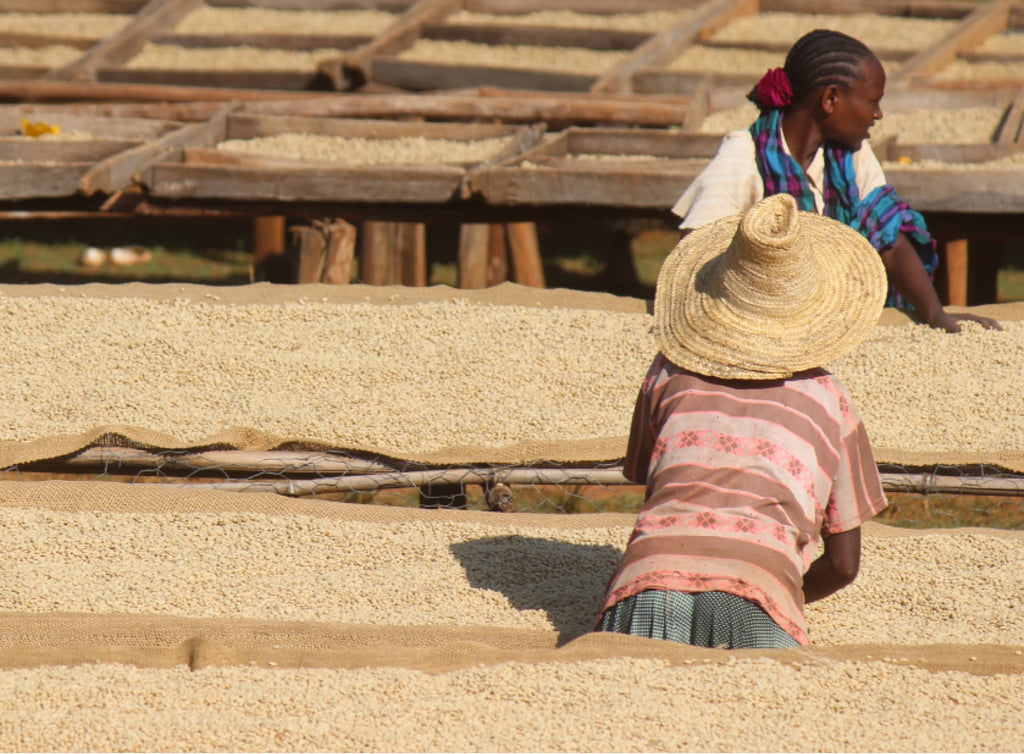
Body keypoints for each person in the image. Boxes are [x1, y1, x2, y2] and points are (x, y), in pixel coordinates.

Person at [595, 192, 889, 649]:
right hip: (759, 583)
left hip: (647, 579)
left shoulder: (667, 371)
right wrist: (779, 593)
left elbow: (649, 481)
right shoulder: (828, 397)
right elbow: (844, 565)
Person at [671, 28, 1000, 333]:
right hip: (756, 319)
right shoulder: (744, 157)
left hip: (828, 316)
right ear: (830, 99)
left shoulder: (850, 155)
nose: (879, 114)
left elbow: (889, 237)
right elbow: (696, 252)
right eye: (873, 101)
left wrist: (935, 314)